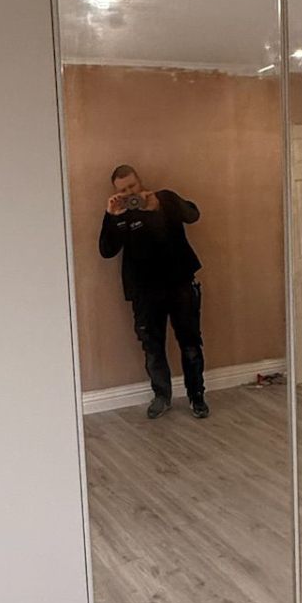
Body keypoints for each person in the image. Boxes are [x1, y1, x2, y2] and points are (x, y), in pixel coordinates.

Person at [99, 164, 208, 420]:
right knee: (152, 347)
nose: (130, 193)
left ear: (141, 182)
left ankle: (197, 397)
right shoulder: (120, 214)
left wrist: (157, 207)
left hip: (179, 284)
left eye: (132, 186)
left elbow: (193, 215)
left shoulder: (165, 199)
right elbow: (106, 250)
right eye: (123, 190)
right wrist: (112, 217)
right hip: (144, 292)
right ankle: (162, 397)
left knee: (191, 343)